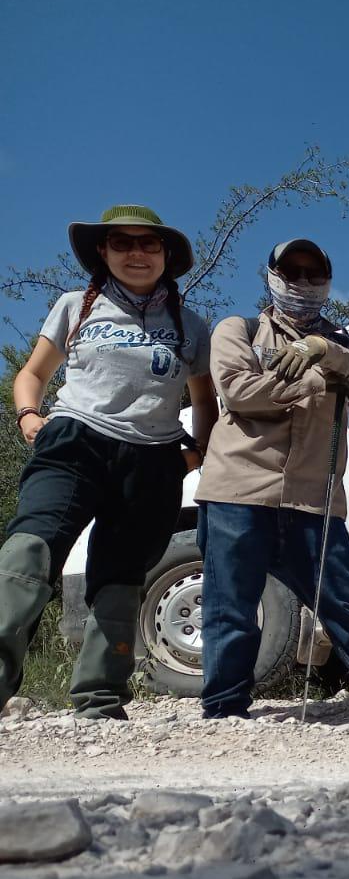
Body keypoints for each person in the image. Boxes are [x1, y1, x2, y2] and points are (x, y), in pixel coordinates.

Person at [0, 205, 216, 719]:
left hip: (153, 459)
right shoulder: (76, 305)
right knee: (28, 552)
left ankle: (100, 699)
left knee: (122, 576)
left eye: (148, 245)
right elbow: (32, 374)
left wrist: (195, 452)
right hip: (74, 443)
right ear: (104, 252)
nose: (136, 254)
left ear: (166, 256)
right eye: (122, 243)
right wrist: (30, 417)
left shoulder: (189, 324)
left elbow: (204, 398)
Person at [196, 238, 349, 724]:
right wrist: (324, 381)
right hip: (238, 489)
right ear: (272, 276)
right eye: (292, 272)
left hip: (314, 498)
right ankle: (225, 710)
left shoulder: (344, 340)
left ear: (327, 283)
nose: (302, 282)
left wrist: (322, 350)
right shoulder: (238, 329)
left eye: (313, 274)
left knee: (346, 603)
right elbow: (237, 391)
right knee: (231, 610)